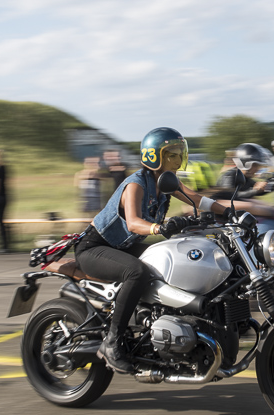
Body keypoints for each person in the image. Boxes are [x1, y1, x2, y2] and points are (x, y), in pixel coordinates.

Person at [74, 127, 232, 374]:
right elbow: (134, 222)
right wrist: (160, 227)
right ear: (153, 156)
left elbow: (197, 200)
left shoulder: (167, 182)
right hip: (96, 248)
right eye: (171, 154)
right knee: (137, 272)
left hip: (124, 245)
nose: (177, 160)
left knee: (169, 257)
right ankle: (111, 342)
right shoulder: (136, 184)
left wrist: (230, 212)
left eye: (180, 154)